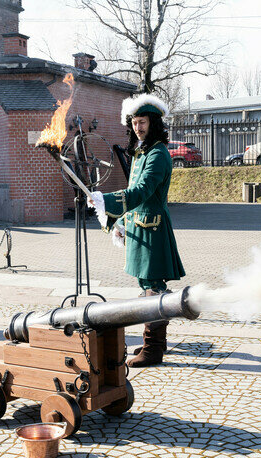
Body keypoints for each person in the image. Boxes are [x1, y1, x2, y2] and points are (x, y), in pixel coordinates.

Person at [88, 94, 187, 367]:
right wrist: (120, 221)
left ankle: (153, 349)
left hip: (153, 229)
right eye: (134, 122)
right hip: (141, 226)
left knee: (153, 287)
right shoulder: (143, 150)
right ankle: (159, 342)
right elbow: (136, 195)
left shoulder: (157, 153)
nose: (137, 127)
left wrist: (106, 201)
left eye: (142, 122)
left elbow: (142, 191)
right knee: (148, 286)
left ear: (153, 123)